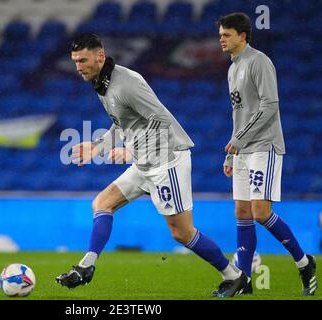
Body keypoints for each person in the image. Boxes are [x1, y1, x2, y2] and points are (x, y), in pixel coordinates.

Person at [56, 33, 248, 298]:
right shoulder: (103, 83)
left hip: (168, 161)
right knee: (102, 203)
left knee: (182, 233)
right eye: (75, 61)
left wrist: (129, 150)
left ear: (100, 56)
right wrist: (97, 146)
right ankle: (86, 266)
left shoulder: (127, 83)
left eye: (83, 60)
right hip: (144, 162)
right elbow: (121, 120)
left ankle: (235, 276)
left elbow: (160, 120)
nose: (78, 67)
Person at [218, 12, 317, 296]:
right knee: (241, 211)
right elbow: (238, 114)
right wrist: (230, 151)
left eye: (226, 35)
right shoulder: (232, 68)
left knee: (261, 212)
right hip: (242, 149)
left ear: (243, 35)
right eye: (220, 35)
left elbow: (270, 106)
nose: (221, 40)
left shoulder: (259, 62)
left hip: (265, 146)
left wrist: (241, 138)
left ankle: (304, 262)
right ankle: (243, 281)